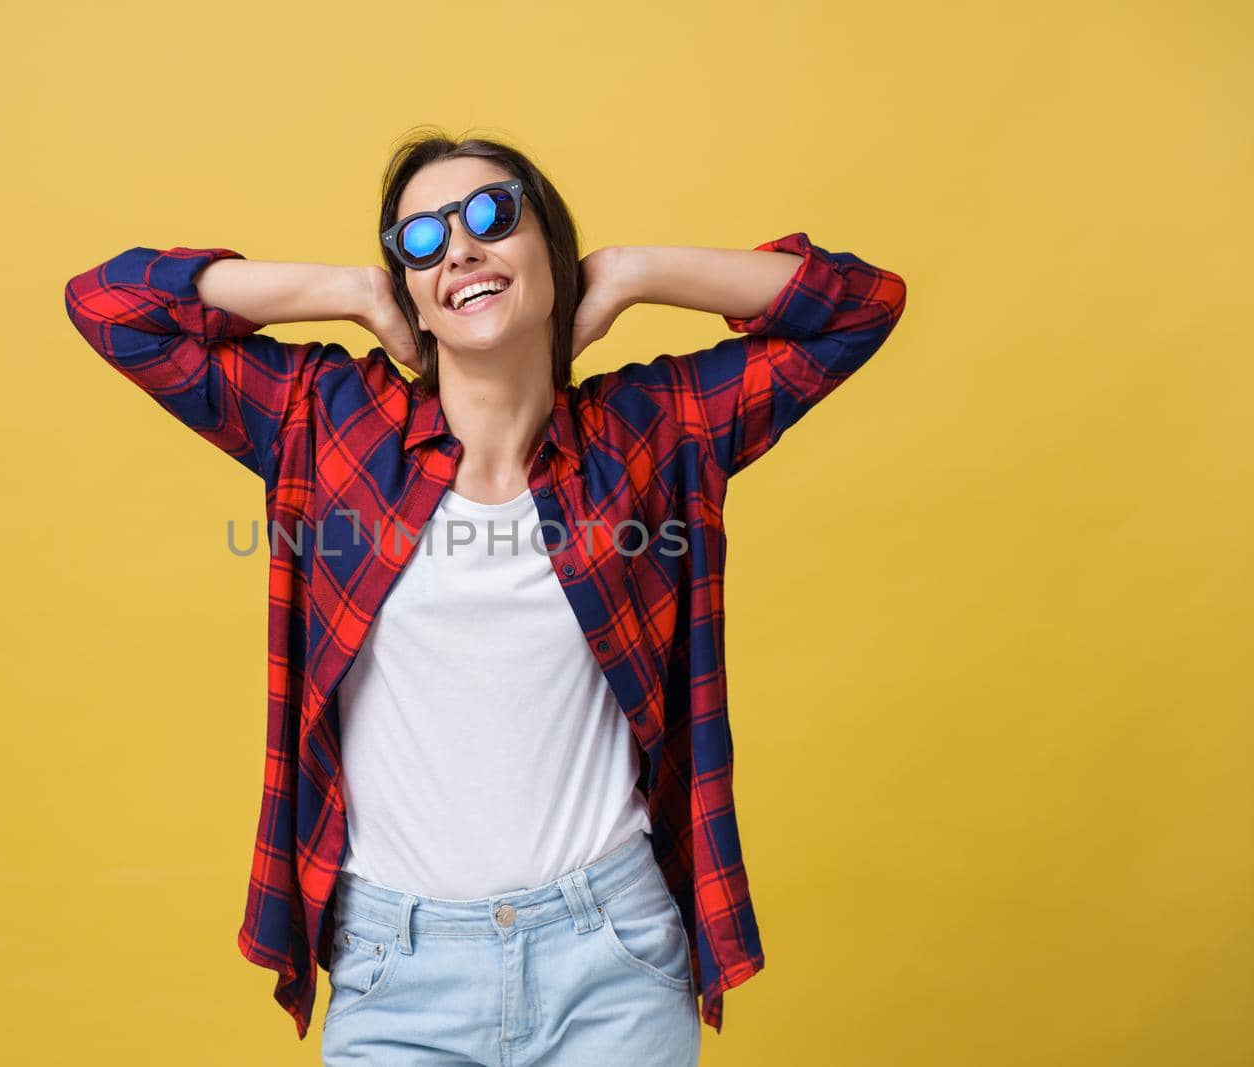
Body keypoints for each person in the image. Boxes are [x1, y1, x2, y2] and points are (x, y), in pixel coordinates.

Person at [63, 129, 907, 1065]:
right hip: (400, 968)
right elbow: (113, 305)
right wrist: (350, 292)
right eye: (419, 240)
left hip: (613, 961)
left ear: (550, 244)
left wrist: (630, 270)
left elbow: (858, 309)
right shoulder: (326, 420)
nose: (458, 248)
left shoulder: (653, 432)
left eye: (491, 216)